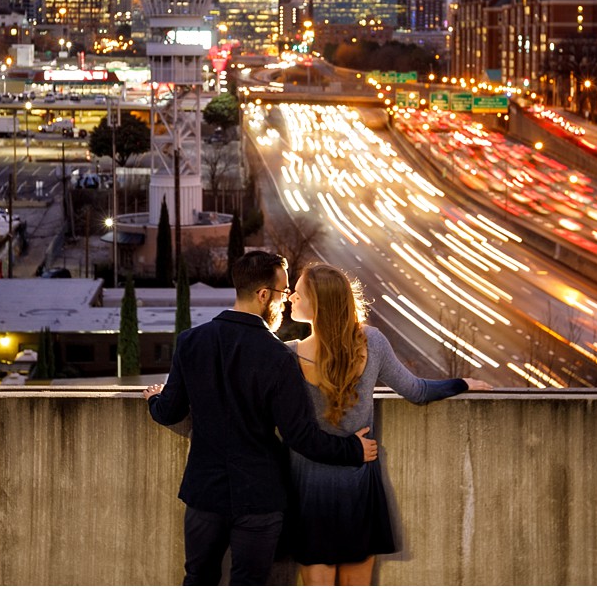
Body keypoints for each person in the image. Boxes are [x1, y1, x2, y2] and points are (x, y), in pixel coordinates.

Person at [145, 251, 378, 586]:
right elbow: (301, 437)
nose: (286, 302)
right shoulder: (278, 356)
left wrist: (154, 398)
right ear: (264, 295)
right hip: (259, 497)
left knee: (198, 577)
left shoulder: (191, 341)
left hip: (203, 493)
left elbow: (170, 411)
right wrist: (353, 451)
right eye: (284, 293)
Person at [284, 263, 491, 586]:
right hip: (359, 484)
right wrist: (462, 383)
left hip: (309, 489)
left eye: (298, 294)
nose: (290, 299)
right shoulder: (372, 342)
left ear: (318, 305)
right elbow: (417, 391)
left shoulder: (288, 356)